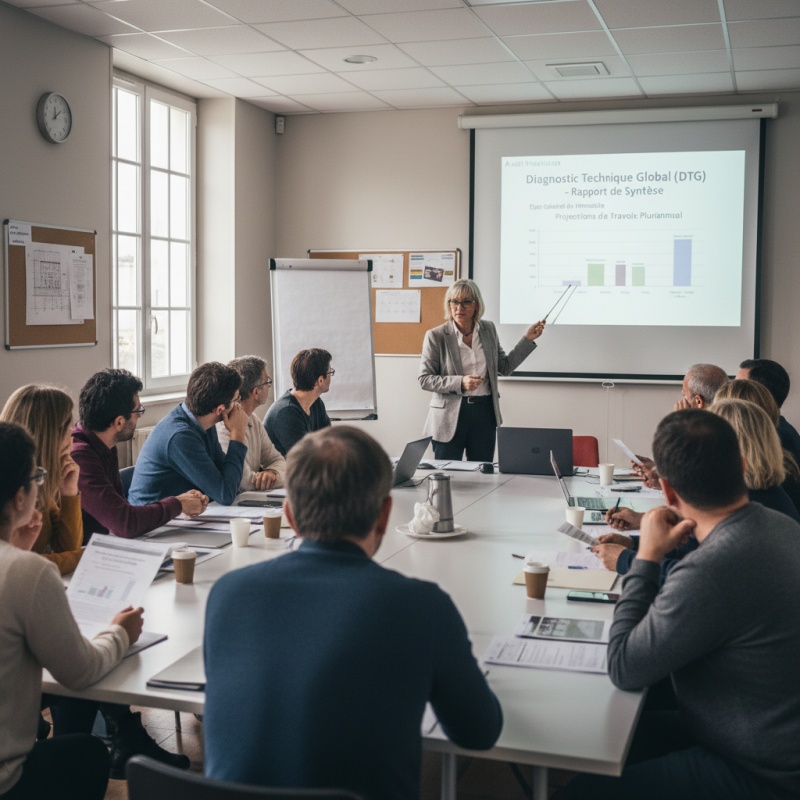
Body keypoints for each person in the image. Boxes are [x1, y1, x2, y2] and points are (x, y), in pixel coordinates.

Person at [203, 426, 502, 799]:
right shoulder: (420, 606)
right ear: (384, 515)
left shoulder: (228, 594)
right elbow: (479, 732)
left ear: (289, 517)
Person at [560, 410, 800, 800]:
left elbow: (624, 666)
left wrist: (647, 558)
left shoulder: (711, 569)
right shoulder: (780, 525)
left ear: (668, 492)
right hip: (759, 729)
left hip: (759, 770)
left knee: (579, 791)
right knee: (604, 738)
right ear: (740, 466)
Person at [0, 421, 143, 800]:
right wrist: (120, 632)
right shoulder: (26, 571)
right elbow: (79, 672)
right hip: (8, 782)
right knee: (89, 753)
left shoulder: (21, 564)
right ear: (19, 496)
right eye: (37, 476)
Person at [72, 368, 207, 539]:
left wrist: (180, 503)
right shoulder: (80, 457)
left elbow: (121, 515)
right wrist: (177, 504)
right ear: (119, 422)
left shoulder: (104, 443)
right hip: (79, 559)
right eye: (138, 411)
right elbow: (125, 524)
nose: (139, 417)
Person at [419, 279, 544, 462]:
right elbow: (425, 379)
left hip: (484, 413)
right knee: (448, 474)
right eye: (454, 302)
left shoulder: (488, 329)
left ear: (476, 305)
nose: (459, 307)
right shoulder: (436, 336)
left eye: (466, 302)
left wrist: (527, 339)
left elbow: (504, 367)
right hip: (449, 416)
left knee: (482, 475)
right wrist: (460, 382)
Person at [129, 362, 248, 506]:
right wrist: (238, 436)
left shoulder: (204, 423)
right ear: (220, 409)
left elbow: (229, 480)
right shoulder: (180, 436)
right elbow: (225, 494)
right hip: (153, 523)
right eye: (236, 400)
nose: (238, 406)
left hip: (181, 518)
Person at [0, 385, 83, 575]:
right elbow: (21, 562)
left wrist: (69, 492)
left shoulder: (41, 481)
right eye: (67, 427)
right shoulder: (11, 487)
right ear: (50, 435)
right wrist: (81, 557)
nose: (72, 435)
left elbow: (66, 547)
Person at [217, 356, 285, 491]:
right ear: (256, 392)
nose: (270, 385)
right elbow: (244, 483)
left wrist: (272, 473)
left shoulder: (253, 420)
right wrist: (267, 480)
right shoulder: (222, 427)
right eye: (267, 382)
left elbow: (279, 461)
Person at [263, 348, 332, 457]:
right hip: (289, 472)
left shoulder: (316, 403)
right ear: (320, 380)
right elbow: (305, 460)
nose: (331, 377)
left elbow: (329, 442)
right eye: (330, 372)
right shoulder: (286, 412)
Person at [737, 358, 800, 465]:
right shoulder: (778, 429)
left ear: (759, 393)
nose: (731, 390)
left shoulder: (775, 437)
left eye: (739, 386)